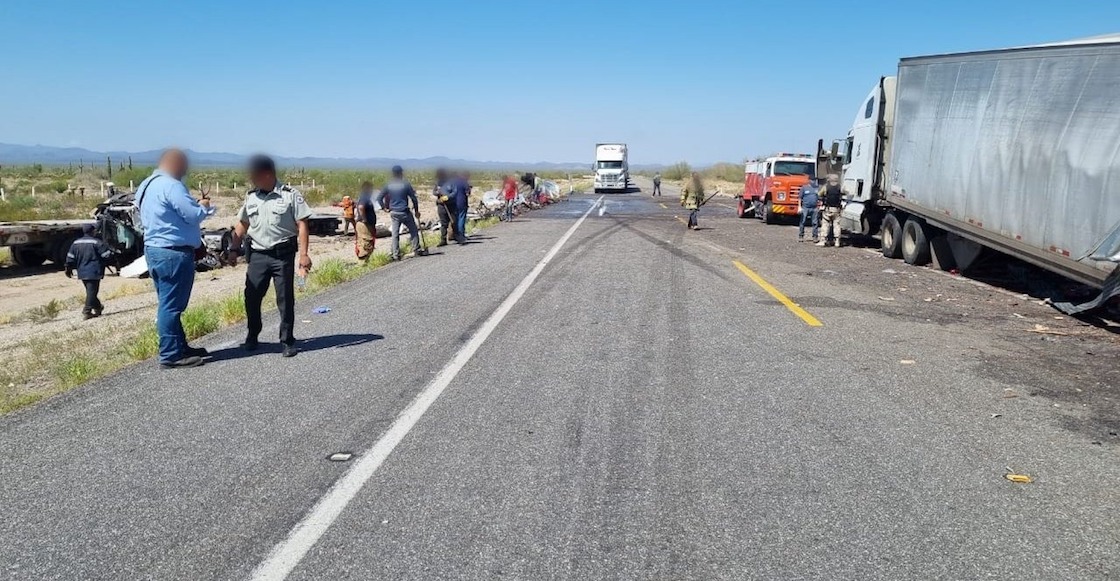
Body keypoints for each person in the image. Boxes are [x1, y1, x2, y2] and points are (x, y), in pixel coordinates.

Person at [229, 155, 313, 358]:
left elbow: (302, 225)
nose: (251, 178)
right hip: (257, 255)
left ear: (267, 174)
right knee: (252, 297)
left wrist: (304, 255)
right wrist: (233, 248)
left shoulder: (290, 195)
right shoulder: (251, 197)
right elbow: (243, 224)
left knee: (285, 299)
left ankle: (287, 340)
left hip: (281, 255)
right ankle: (253, 334)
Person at [136, 148, 213, 369]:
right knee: (171, 306)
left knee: (167, 301)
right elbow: (193, 215)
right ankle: (170, 354)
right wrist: (204, 206)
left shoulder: (147, 184)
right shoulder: (171, 185)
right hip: (173, 253)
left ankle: (179, 346)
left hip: (154, 249)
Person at [64, 223, 114, 320]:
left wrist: (68, 268)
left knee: (91, 291)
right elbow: (107, 256)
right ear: (93, 231)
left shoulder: (75, 243)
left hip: (82, 271)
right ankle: (86, 311)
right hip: (94, 271)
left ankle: (98, 307)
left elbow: (70, 258)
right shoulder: (97, 243)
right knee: (92, 292)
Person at [377, 165, 424, 260]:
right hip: (404, 211)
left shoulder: (389, 185)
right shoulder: (405, 184)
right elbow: (414, 198)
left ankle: (395, 254)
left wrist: (384, 208)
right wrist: (416, 210)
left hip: (394, 212)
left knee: (395, 234)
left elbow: (379, 198)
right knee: (413, 230)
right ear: (401, 173)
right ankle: (416, 249)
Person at [817, 173, 844, 247]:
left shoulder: (826, 187)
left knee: (825, 224)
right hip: (837, 209)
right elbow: (846, 192)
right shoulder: (840, 187)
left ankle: (823, 240)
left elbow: (819, 194)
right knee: (837, 225)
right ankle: (837, 241)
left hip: (827, 209)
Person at [355, 181, 378, 260]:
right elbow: (361, 207)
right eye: (371, 189)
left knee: (367, 245)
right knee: (365, 246)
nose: (372, 191)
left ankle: (366, 263)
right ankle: (363, 265)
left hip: (366, 224)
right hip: (364, 225)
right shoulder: (364, 197)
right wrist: (364, 218)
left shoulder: (365, 197)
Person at [433, 168, 454, 246]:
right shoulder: (437, 183)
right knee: (443, 223)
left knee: (453, 221)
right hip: (441, 205)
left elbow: (454, 193)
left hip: (450, 205)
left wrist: (447, 197)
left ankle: (455, 235)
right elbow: (434, 192)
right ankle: (443, 239)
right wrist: (438, 193)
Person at [448, 171, 471, 243]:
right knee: (461, 219)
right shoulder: (464, 182)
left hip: (452, 203)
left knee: (455, 219)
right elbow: (467, 193)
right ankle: (461, 235)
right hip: (462, 203)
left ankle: (454, 235)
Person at [798, 177, 821, 243]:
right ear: (809, 180)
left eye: (814, 180)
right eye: (812, 180)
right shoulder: (804, 188)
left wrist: (819, 206)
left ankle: (815, 237)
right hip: (805, 207)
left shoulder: (817, 188)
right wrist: (799, 207)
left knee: (815, 222)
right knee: (803, 221)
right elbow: (800, 198)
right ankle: (801, 236)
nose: (813, 181)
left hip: (814, 208)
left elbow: (819, 198)